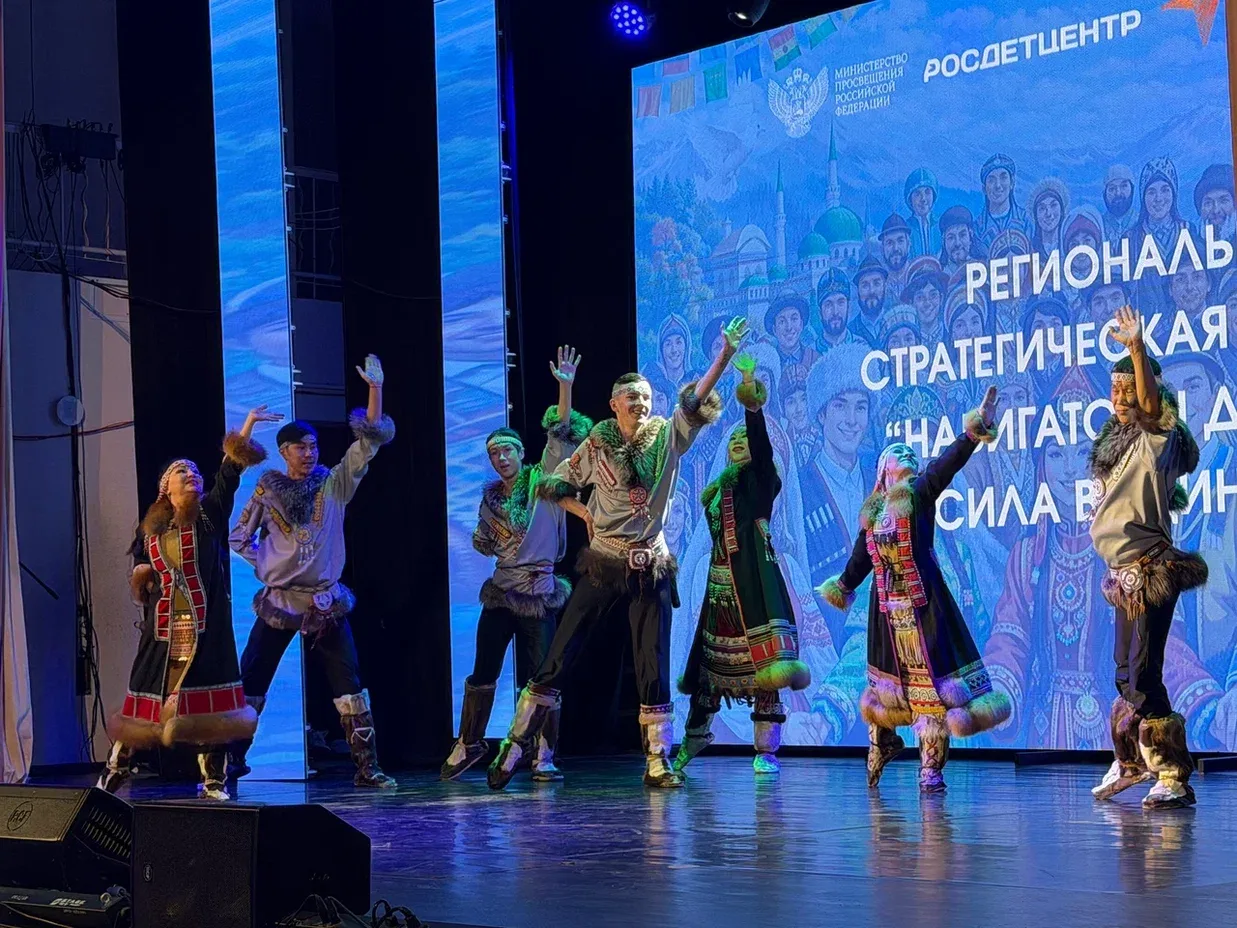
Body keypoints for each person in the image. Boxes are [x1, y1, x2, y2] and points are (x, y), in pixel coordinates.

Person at [487, 318, 746, 790]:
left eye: (646, 397)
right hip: (604, 561)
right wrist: (583, 511)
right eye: (632, 398)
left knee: (653, 659)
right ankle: (518, 740)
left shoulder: (668, 435)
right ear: (614, 405)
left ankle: (657, 758)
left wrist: (723, 356)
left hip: (650, 563)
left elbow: (693, 401)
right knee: (562, 650)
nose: (641, 404)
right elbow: (554, 484)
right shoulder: (598, 442)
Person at [818, 386, 1011, 792]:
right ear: (883, 470)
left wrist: (974, 430)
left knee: (931, 693)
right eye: (897, 452)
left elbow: (946, 465)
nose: (907, 454)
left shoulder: (918, 496)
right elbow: (859, 562)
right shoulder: (872, 516)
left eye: (911, 453)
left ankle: (930, 767)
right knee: (888, 695)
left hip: (926, 613)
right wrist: (843, 586)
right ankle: (882, 744)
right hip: (887, 620)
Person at [228, 355, 398, 788]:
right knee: (252, 678)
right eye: (300, 447)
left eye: (313, 446)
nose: (309, 453)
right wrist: (270, 564)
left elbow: (368, 444)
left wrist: (375, 390)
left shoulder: (333, 483)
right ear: (284, 452)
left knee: (348, 682)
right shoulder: (268, 488)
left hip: (324, 601)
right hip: (280, 602)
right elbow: (238, 537)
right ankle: (230, 761)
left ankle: (367, 767)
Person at [100, 407, 275, 799]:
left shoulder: (209, 515)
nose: (192, 474)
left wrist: (247, 425)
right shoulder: (152, 528)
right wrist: (141, 575)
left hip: (206, 631)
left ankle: (214, 780)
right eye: (183, 472)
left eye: (196, 471)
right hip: (163, 634)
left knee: (213, 710)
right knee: (143, 704)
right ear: (167, 487)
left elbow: (229, 473)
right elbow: (141, 560)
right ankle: (115, 770)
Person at [440, 348, 592, 782]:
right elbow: (485, 541)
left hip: (538, 592)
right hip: (501, 591)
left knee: (541, 676)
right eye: (494, 454)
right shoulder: (490, 498)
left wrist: (565, 387)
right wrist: (482, 540)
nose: (501, 458)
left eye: (507, 450)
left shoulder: (543, 480)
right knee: (483, 669)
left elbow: (561, 434)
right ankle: (470, 742)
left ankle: (543, 752)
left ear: (522, 453)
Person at [1089, 307, 1208, 809]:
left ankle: (1173, 772)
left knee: (1143, 675)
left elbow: (1155, 411)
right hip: (1121, 577)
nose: (1120, 399)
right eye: (1114, 391)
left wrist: (1137, 348)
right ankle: (1132, 762)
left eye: (1129, 391)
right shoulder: (1115, 448)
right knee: (1124, 673)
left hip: (1150, 571)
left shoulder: (1154, 442)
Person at [674, 358, 811, 776]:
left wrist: (751, 401)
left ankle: (765, 749)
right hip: (720, 593)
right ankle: (694, 736)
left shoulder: (760, 483)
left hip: (756, 588)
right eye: (732, 439)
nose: (738, 442)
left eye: (744, 439)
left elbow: (762, 446)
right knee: (708, 672)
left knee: (766, 671)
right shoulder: (717, 492)